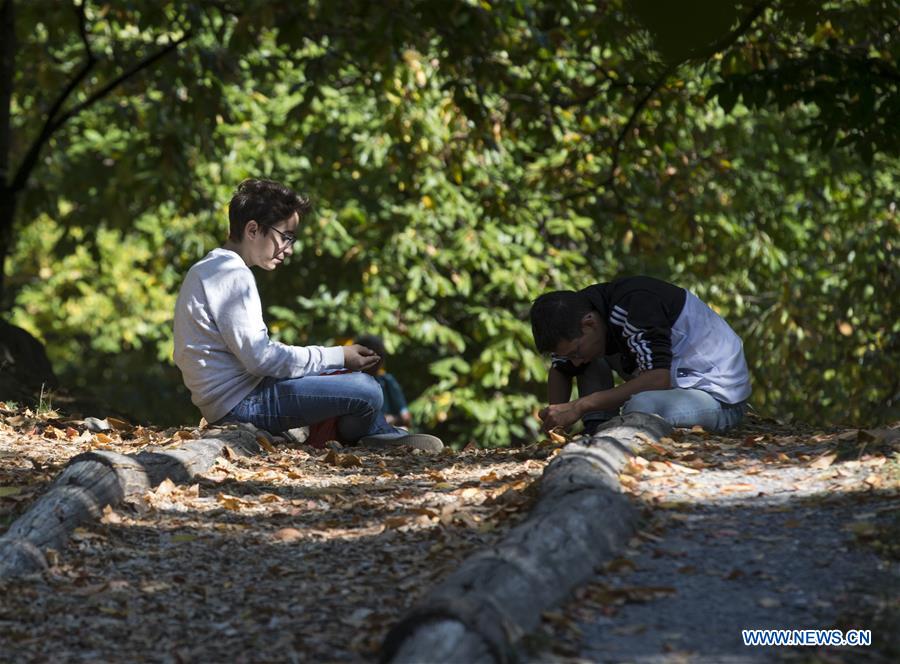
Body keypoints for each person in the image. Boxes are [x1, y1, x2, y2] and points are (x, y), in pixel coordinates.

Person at [172, 179, 442, 450]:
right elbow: (261, 359)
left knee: (342, 378)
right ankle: (376, 435)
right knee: (367, 389)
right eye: (285, 237)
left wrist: (335, 362)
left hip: (236, 399)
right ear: (253, 229)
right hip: (242, 405)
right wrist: (339, 355)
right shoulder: (232, 274)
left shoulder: (210, 267)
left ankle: (375, 434)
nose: (289, 249)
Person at [530, 276, 751, 433]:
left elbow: (657, 379)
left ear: (589, 323)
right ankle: (595, 429)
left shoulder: (636, 304)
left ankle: (604, 434)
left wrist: (579, 406)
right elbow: (562, 367)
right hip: (672, 385)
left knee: (640, 407)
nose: (574, 360)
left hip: (719, 402)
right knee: (586, 361)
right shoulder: (582, 310)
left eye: (575, 351)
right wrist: (555, 424)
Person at [355, 334, 413, 428]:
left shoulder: (386, 381)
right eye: (374, 355)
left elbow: (406, 417)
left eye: (381, 355)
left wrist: (391, 419)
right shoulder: (353, 382)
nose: (379, 360)